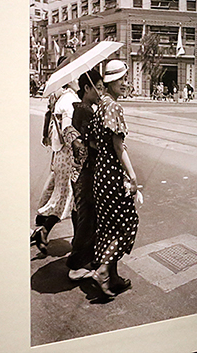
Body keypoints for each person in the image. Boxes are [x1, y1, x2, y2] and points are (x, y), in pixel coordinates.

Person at [89, 60, 139, 297]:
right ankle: (102, 271)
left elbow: (91, 141)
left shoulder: (100, 106)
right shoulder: (114, 108)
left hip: (100, 176)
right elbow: (119, 147)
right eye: (120, 79)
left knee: (109, 226)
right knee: (127, 224)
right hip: (113, 176)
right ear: (110, 82)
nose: (124, 83)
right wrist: (132, 175)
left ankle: (114, 277)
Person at [31, 81, 80, 254]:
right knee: (69, 199)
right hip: (67, 156)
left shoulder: (64, 98)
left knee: (67, 199)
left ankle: (49, 232)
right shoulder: (68, 101)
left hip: (62, 155)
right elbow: (67, 130)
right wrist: (78, 146)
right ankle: (47, 232)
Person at [65, 69, 104, 280]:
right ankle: (76, 265)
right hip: (86, 172)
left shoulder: (81, 108)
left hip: (80, 170)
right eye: (97, 87)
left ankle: (82, 254)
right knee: (87, 217)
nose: (100, 92)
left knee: (83, 213)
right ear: (86, 88)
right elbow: (93, 142)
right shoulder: (86, 111)